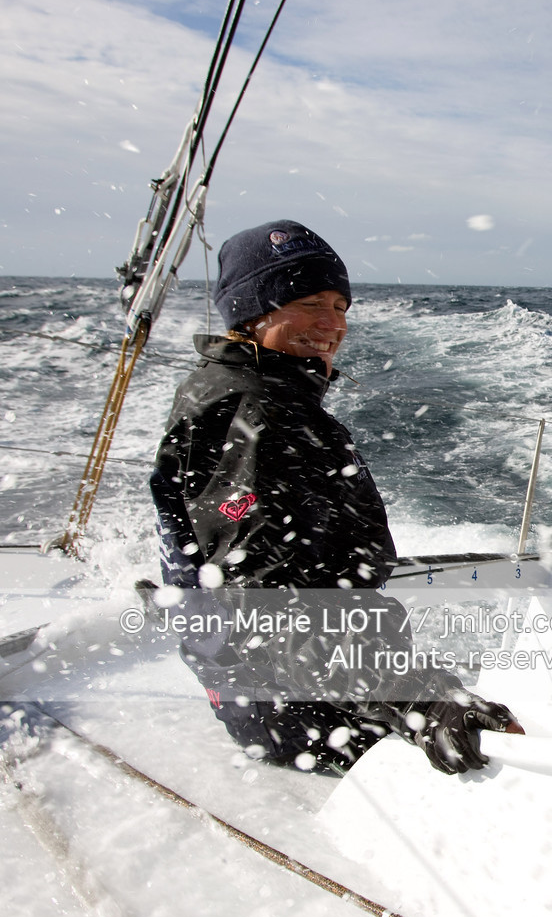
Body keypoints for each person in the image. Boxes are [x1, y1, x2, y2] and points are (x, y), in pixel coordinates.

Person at [150, 219, 517, 773]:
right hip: (296, 707)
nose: (332, 324)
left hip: (305, 677)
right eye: (307, 302)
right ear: (251, 314)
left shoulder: (259, 394)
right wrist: (418, 699)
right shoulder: (256, 415)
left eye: (341, 306)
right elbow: (268, 611)